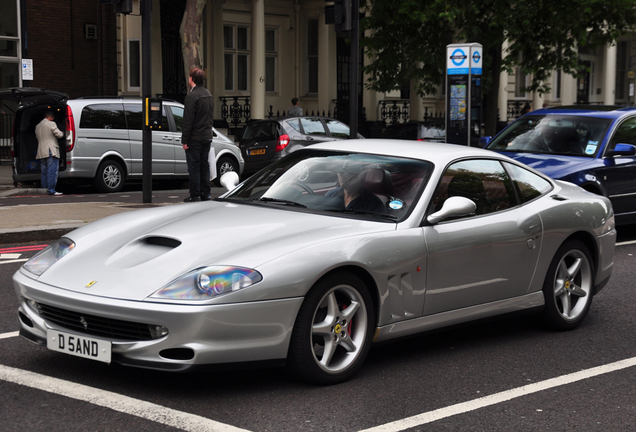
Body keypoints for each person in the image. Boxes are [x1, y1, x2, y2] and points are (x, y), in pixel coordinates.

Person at [182, 67, 214, 202]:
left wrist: (185, 140)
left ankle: (195, 194)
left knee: (194, 166)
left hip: (195, 137)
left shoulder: (191, 97)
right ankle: (206, 193)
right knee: (204, 165)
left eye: (189, 76)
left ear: (192, 79)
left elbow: (188, 120)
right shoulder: (209, 95)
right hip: (206, 136)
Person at [35, 111, 64, 195]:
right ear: (50, 117)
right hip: (51, 150)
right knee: (52, 171)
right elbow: (59, 135)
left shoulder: (37, 126)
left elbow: (38, 137)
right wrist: (62, 132)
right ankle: (51, 190)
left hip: (41, 151)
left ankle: (44, 190)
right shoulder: (51, 124)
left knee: (44, 173)